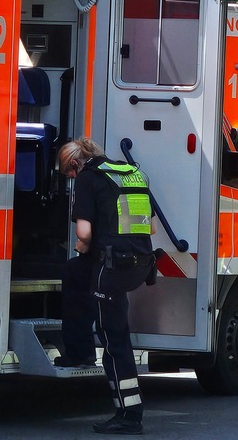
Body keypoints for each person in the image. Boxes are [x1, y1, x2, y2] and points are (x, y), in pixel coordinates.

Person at [57, 138, 158, 435]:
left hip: (112, 267)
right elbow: (150, 227)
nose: (71, 179)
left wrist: (81, 244)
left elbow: (84, 233)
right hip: (139, 263)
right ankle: (79, 350)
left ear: (75, 164)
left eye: (68, 174)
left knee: (114, 340)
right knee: (75, 272)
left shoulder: (89, 178)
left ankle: (129, 413)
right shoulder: (129, 171)